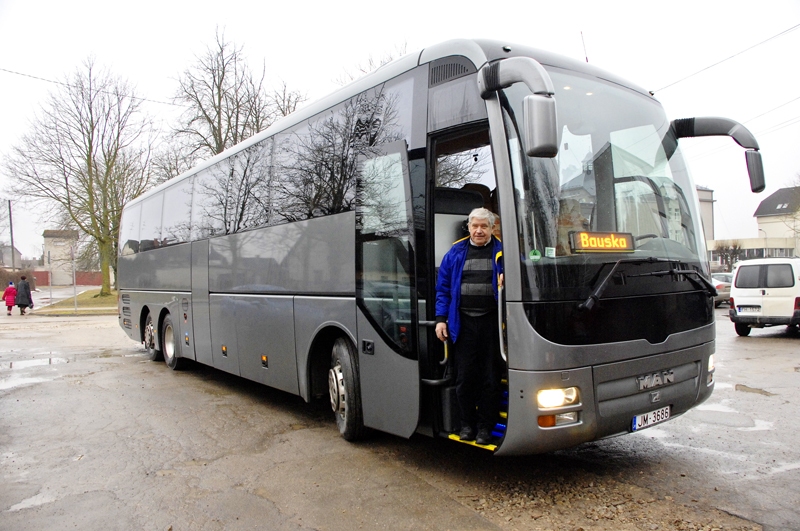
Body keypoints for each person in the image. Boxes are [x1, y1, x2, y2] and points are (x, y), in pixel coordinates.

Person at [435, 207, 504, 446]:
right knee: (464, 378)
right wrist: (440, 320)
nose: (478, 230)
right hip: (462, 324)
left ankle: (485, 428)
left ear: (492, 228)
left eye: (484, 226)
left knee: (490, 379)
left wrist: (510, 280)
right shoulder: (455, 252)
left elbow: (523, 280)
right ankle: (467, 425)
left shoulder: (505, 253)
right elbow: (443, 289)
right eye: (474, 226)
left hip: (492, 326)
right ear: (469, 227)